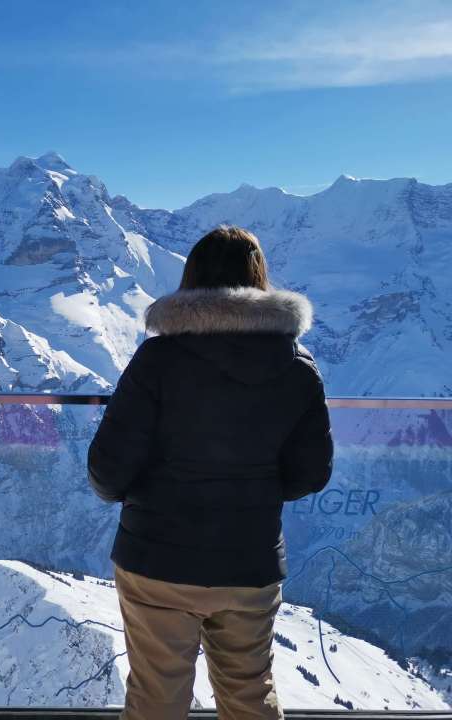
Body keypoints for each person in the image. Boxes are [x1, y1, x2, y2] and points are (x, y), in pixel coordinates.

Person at [88, 226, 333, 720]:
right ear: (260, 282)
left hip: (156, 559)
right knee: (249, 694)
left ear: (191, 279)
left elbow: (108, 469)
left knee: (156, 699)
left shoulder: (156, 360)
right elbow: (311, 474)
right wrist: (256, 488)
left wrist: (145, 494)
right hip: (249, 562)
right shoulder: (298, 367)